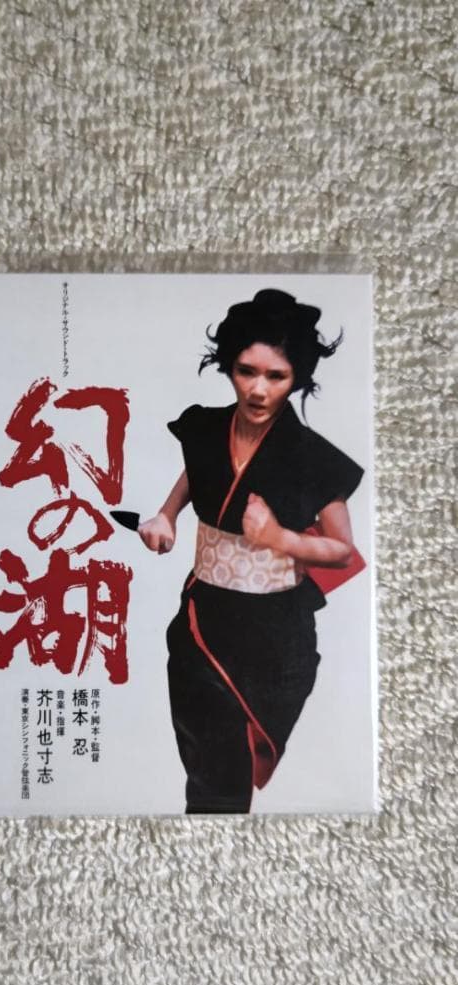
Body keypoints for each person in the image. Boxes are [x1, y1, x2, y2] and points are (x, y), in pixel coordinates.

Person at [138, 289, 364, 814]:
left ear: (297, 378)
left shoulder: (311, 456)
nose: (258, 389)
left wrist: (279, 539)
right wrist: (166, 516)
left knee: (228, 766)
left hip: (272, 633)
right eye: (246, 372)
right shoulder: (206, 427)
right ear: (229, 367)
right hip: (202, 616)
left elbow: (341, 550)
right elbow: (197, 474)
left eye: (276, 376)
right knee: (204, 759)